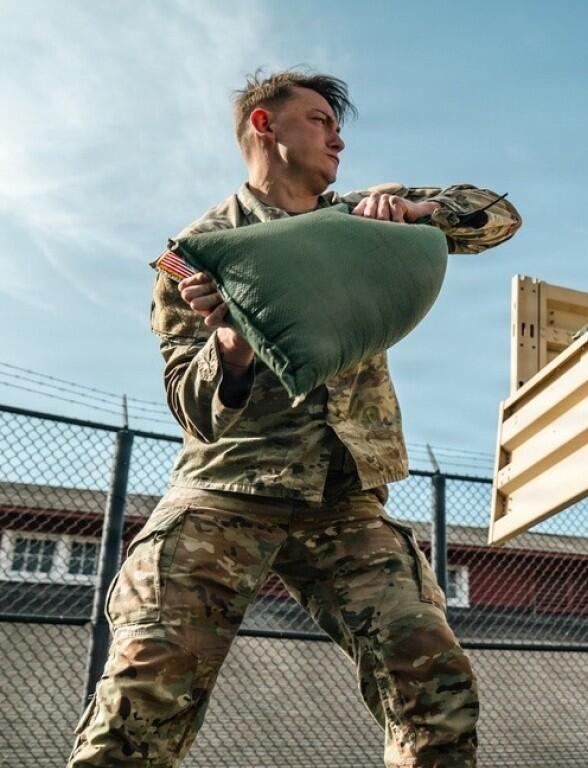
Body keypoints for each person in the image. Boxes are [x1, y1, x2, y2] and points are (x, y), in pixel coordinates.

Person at [68, 69, 521, 768]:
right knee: (140, 702)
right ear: (265, 125)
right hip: (226, 494)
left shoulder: (358, 219)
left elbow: (497, 217)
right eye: (319, 121)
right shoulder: (198, 253)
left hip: (345, 500)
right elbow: (190, 405)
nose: (338, 138)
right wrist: (231, 345)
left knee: (435, 686)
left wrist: (417, 211)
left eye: (338, 127)